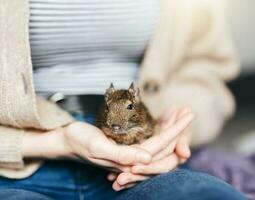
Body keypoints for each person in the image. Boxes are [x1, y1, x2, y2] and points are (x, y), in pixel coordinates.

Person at [0, 0, 246, 199]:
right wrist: (53, 142)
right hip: (20, 159)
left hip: (144, 159)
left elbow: (204, 67)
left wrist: (175, 130)